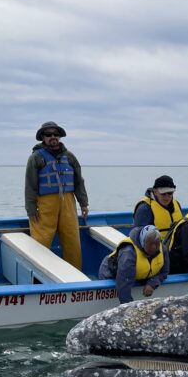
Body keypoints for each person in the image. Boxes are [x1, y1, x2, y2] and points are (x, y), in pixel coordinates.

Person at [25, 121, 88, 269]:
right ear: (43, 137)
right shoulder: (36, 158)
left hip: (68, 203)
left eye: (56, 134)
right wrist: (31, 210)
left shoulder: (70, 157)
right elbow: (30, 185)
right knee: (41, 241)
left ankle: (75, 274)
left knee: (72, 240)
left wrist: (83, 203)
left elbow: (79, 181)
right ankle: (39, 276)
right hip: (45, 205)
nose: (53, 137)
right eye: (48, 134)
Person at [98, 224, 170, 304]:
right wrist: (129, 309)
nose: (154, 247)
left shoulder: (162, 249)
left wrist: (153, 283)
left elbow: (164, 272)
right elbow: (123, 286)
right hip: (112, 274)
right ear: (143, 242)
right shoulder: (129, 253)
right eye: (150, 244)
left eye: (156, 244)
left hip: (136, 276)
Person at [133, 175, 183, 240]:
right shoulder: (145, 209)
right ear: (155, 191)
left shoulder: (177, 204)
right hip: (156, 248)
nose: (166, 197)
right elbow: (138, 238)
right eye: (163, 193)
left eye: (170, 193)